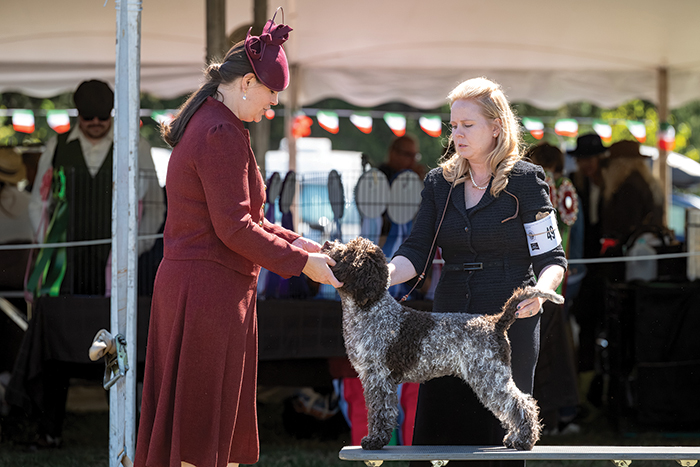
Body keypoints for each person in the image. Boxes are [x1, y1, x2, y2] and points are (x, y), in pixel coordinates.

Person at [134, 12, 342, 467]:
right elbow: (235, 228)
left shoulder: (215, 121)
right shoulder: (220, 131)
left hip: (205, 290)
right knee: (199, 434)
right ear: (247, 82)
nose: (273, 104)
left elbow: (251, 219)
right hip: (205, 295)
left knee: (206, 430)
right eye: (271, 93)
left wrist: (303, 246)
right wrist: (301, 265)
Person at [388, 77, 567, 467]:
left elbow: (552, 257)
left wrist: (540, 293)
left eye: (467, 125)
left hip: (509, 321)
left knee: (498, 444)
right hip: (447, 322)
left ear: (496, 127)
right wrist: (382, 275)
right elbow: (415, 251)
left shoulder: (527, 180)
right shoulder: (438, 183)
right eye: (453, 125)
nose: (457, 134)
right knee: (440, 439)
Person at [28, 79, 165, 296]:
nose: (95, 122)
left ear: (111, 113)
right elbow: (38, 202)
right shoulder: (56, 146)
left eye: (102, 117)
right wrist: (50, 246)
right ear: (78, 113)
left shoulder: (136, 145)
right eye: (88, 116)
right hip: (64, 264)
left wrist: (136, 247)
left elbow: (154, 204)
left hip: (117, 260)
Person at [526, 142, 581, 434]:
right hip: (557, 277)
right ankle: (561, 413)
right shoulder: (564, 188)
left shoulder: (546, 185)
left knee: (545, 346)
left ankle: (551, 413)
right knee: (556, 345)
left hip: (540, 278)